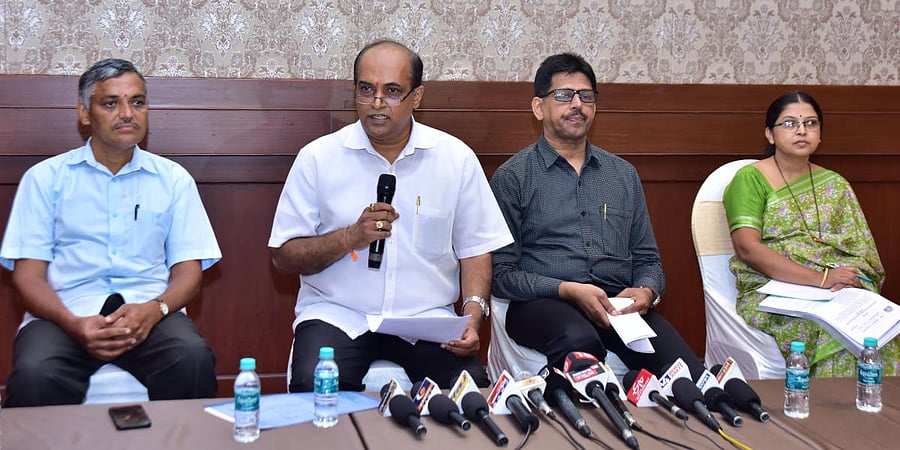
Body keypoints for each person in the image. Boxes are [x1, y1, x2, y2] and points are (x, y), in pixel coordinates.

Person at [269, 40, 513, 391]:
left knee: (470, 389)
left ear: (417, 97)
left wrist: (473, 317)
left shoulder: (454, 159)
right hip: (338, 314)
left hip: (425, 319)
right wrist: (348, 238)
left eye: (393, 91)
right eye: (367, 90)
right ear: (354, 92)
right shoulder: (318, 158)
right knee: (314, 386)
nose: (377, 103)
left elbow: (476, 249)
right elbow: (283, 256)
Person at [0, 59, 221, 406]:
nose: (127, 113)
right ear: (84, 113)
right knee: (35, 373)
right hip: (65, 313)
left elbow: (189, 273)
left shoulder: (174, 180)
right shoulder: (45, 179)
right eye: (110, 103)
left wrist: (156, 309)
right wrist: (73, 324)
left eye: (137, 102)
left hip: (149, 312)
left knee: (192, 358)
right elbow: (28, 278)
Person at [490, 53, 705, 379]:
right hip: (543, 306)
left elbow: (649, 260)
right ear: (539, 107)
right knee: (580, 341)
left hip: (618, 307)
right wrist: (567, 289)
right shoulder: (514, 177)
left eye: (586, 96)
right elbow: (502, 275)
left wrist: (646, 291)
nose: (577, 104)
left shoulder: (622, 175)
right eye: (563, 95)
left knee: (686, 372)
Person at [723, 91, 900, 377]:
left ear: (820, 135)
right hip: (774, 293)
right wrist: (821, 279)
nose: (802, 130)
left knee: (882, 329)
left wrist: (845, 279)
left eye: (811, 123)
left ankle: (881, 417)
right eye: (790, 123)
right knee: (831, 332)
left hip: (838, 291)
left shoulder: (835, 184)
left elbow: (863, 253)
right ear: (770, 134)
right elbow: (748, 249)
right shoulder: (749, 179)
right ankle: (828, 418)